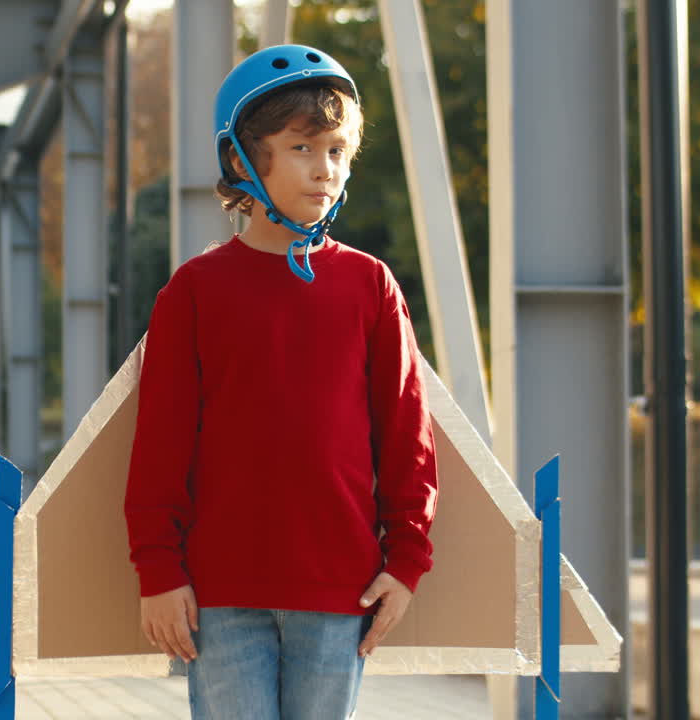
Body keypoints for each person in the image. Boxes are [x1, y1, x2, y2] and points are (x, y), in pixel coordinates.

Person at [124, 44, 439, 720]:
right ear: (242, 160)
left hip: (341, 590)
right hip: (220, 595)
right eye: (302, 148)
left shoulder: (370, 285)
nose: (325, 169)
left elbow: (407, 436)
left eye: (338, 151)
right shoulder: (194, 292)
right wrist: (158, 571)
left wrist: (407, 562)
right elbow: (159, 446)